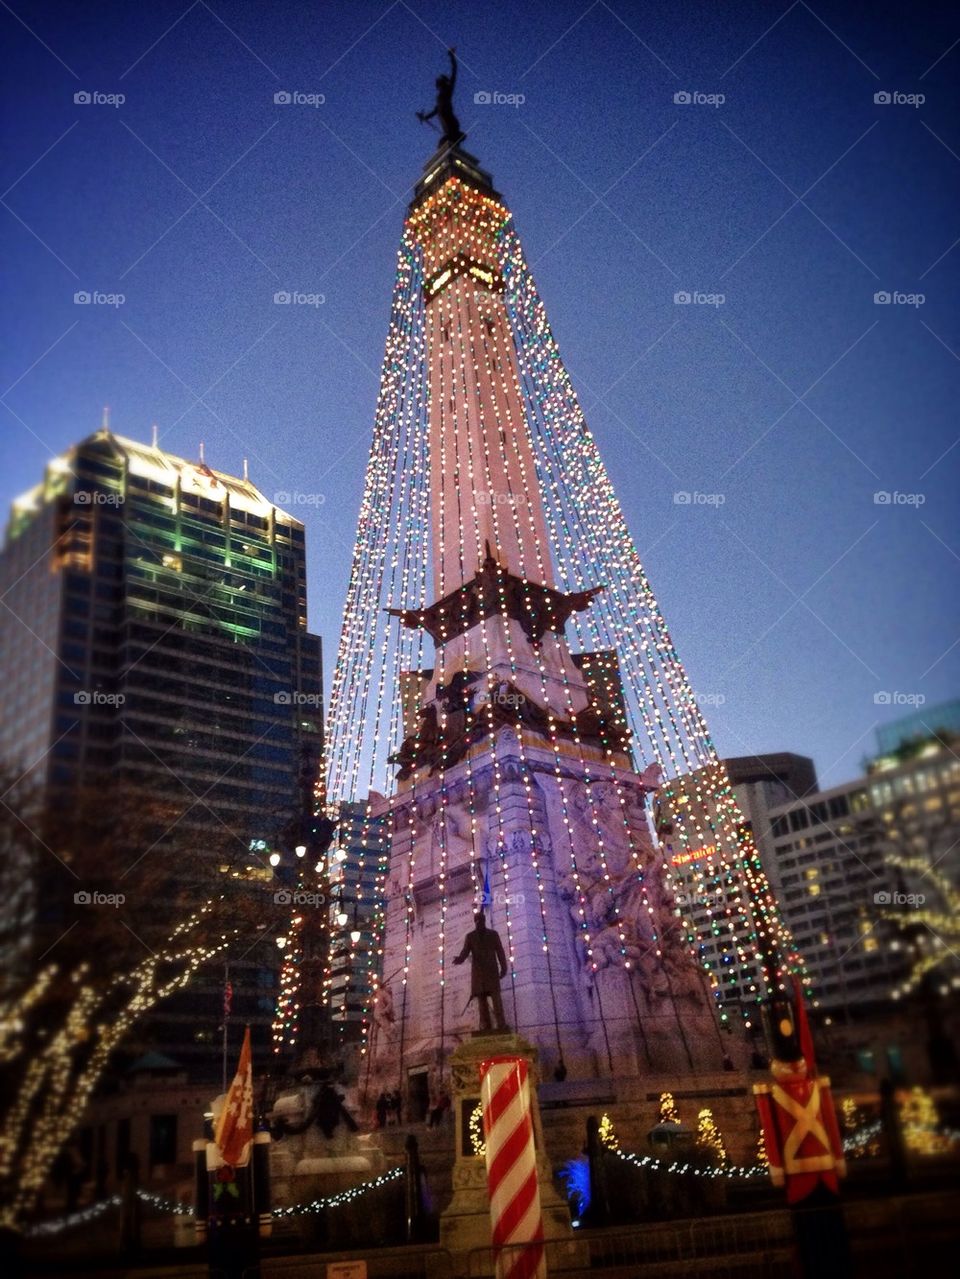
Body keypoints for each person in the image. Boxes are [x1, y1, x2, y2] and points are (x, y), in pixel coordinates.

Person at [454, 910, 509, 1032]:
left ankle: (501, 1025)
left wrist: (504, 967)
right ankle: (486, 1026)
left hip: (491, 972)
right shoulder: (470, 937)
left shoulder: (493, 934)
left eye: (481, 920)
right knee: (482, 1003)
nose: (479, 923)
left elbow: (500, 951)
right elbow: (465, 951)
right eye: (477, 921)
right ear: (475, 922)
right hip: (478, 974)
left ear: (484, 921)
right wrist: (460, 959)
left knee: (497, 1000)